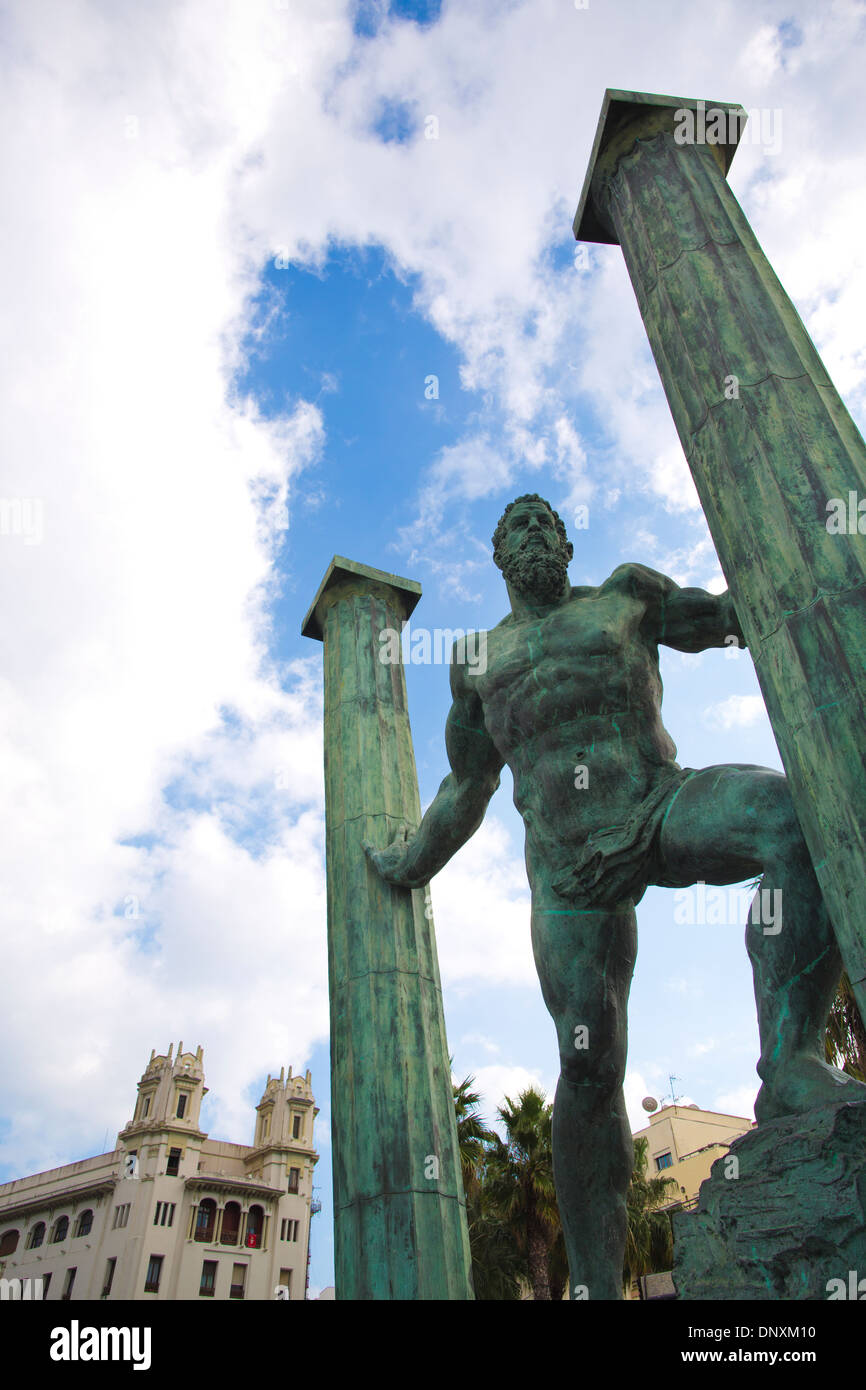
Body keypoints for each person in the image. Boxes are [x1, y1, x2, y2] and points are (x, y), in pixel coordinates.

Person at [366, 492, 865, 1299]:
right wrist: (409, 863)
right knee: (587, 1064)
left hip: (660, 805)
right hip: (567, 871)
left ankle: (791, 1060)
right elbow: (468, 783)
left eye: (544, 523)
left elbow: (726, 619)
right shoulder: (475, 660)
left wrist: (806, 571)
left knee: (793, 823)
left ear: (566, 542)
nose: (533, 534)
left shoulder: (626, 595)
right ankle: (599, 1287)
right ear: (498, 556)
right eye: (516, 527)